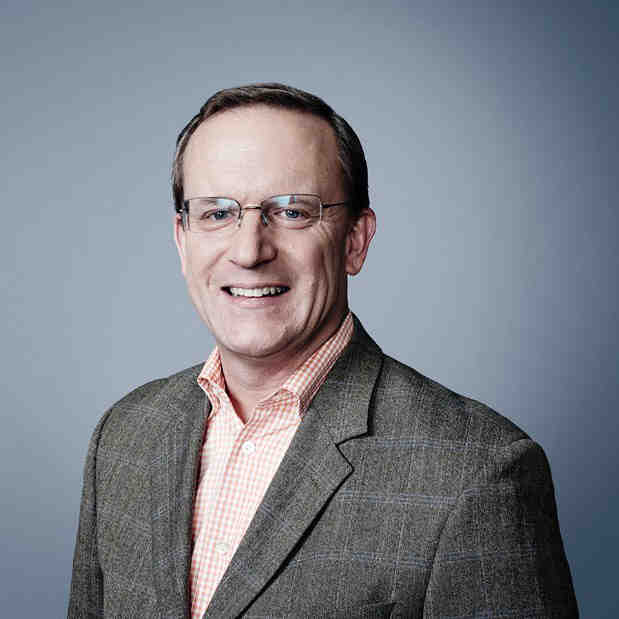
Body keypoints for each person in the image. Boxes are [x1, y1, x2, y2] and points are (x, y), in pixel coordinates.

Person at [68, 83, 578, 618]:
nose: (249, 250)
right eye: (217, 213)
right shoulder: (124, 436)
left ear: (355, 240)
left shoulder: (477, 471)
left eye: (292, 211)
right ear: (182, 239)